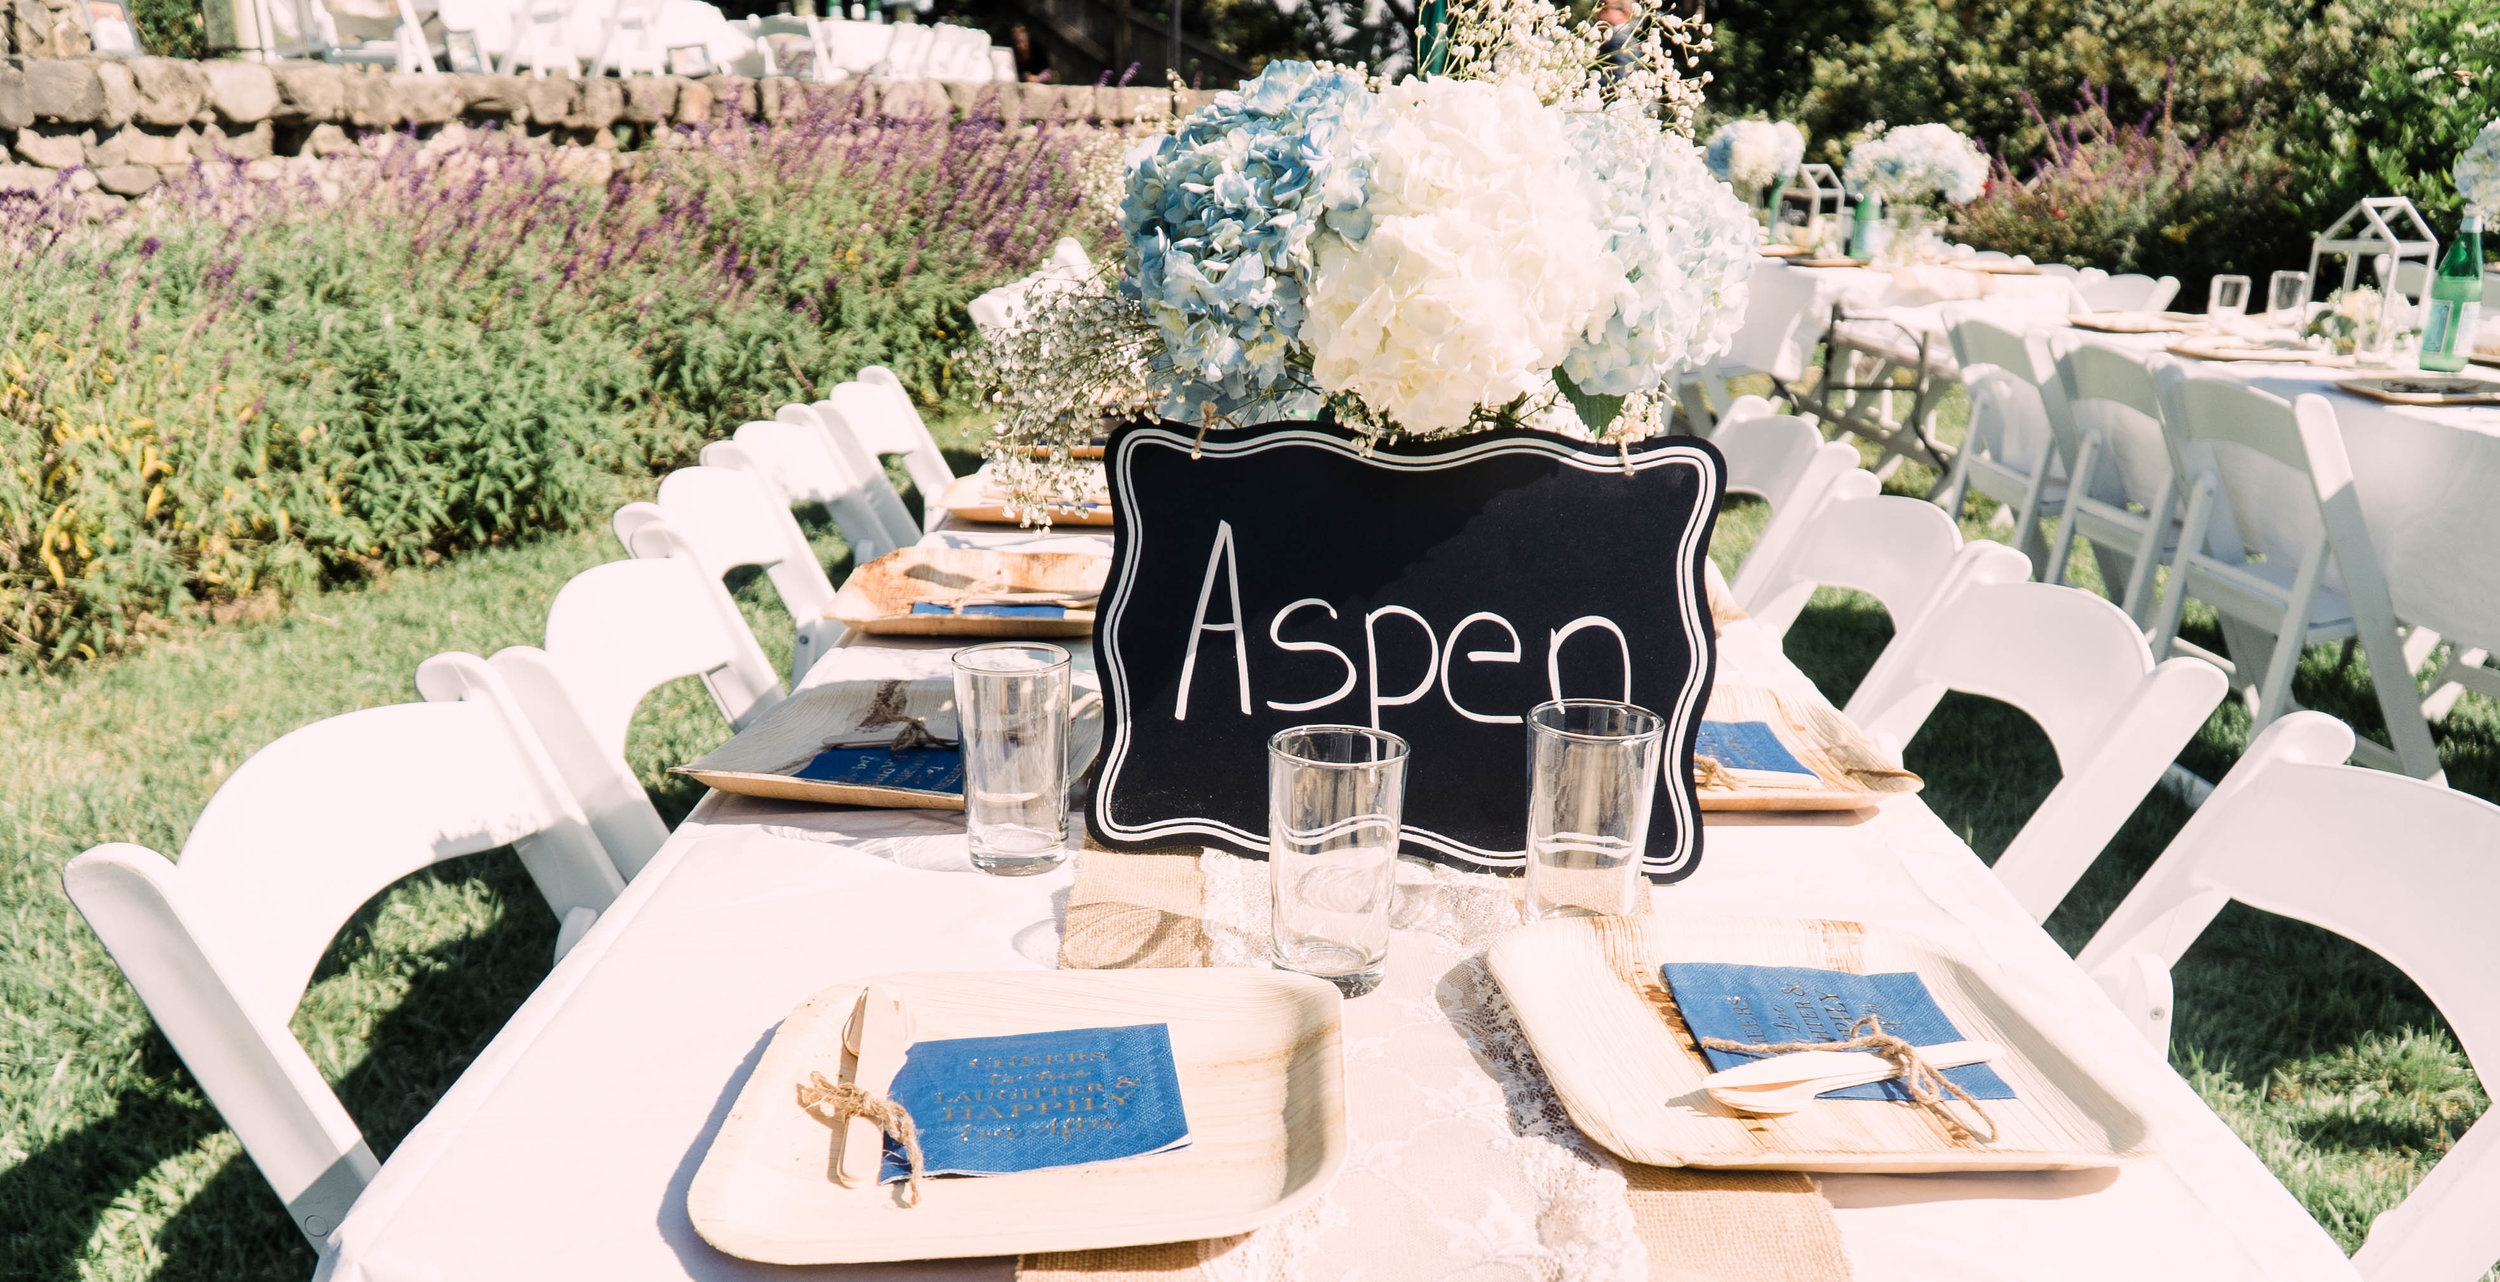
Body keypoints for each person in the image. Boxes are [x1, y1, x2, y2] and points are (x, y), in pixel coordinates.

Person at [1595, 0, 1638, 90]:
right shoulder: (1618, 38)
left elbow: (1618, 81)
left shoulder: (1621, 41)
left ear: (1623, 13)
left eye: (1604, 7)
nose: (1598, 11)